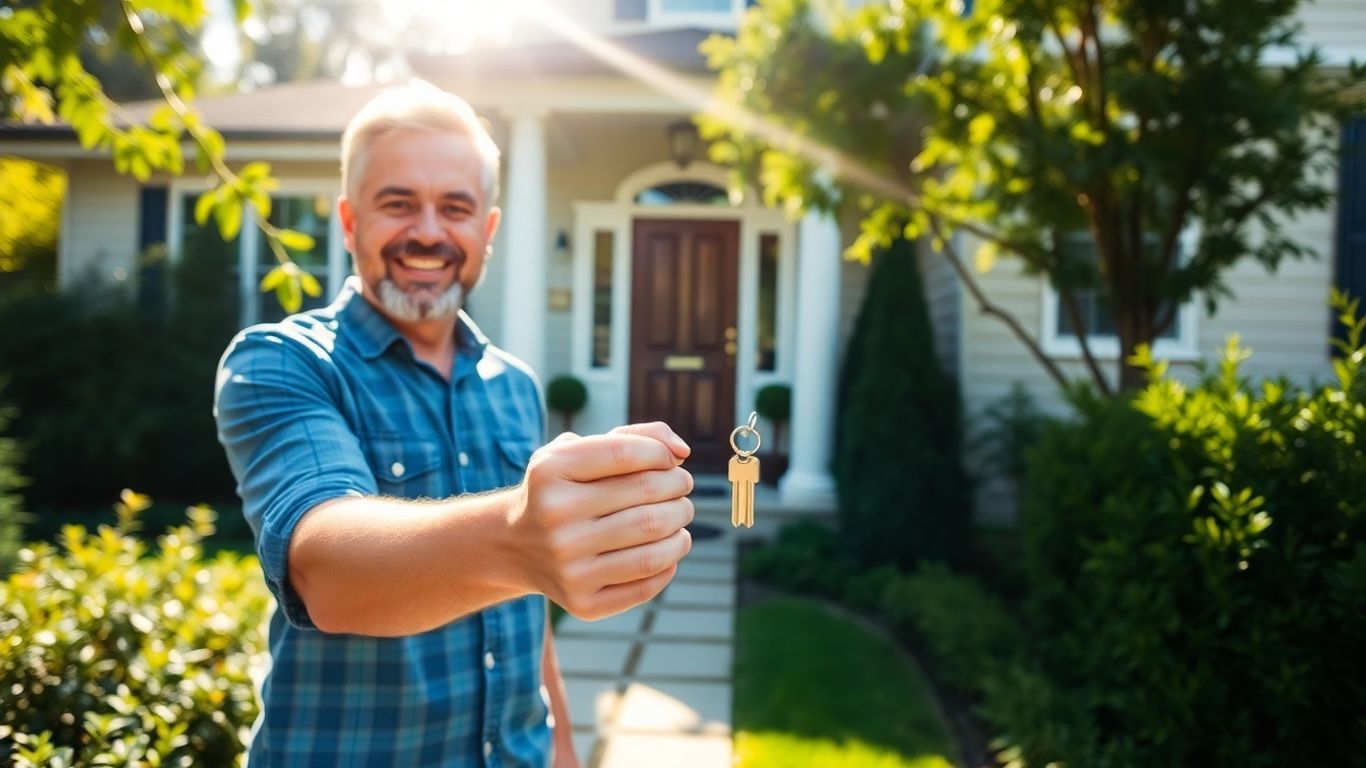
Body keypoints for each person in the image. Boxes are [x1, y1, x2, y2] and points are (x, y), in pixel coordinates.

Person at [214, 81, 695, 767]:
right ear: (350, 223)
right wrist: (519, 537)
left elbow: (529, 607)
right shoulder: (283, 363)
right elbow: (325, 569)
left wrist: (562, 748)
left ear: (488, 232)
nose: (430, 232)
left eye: (456, 208)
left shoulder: (516, 385)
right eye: (399, 204)